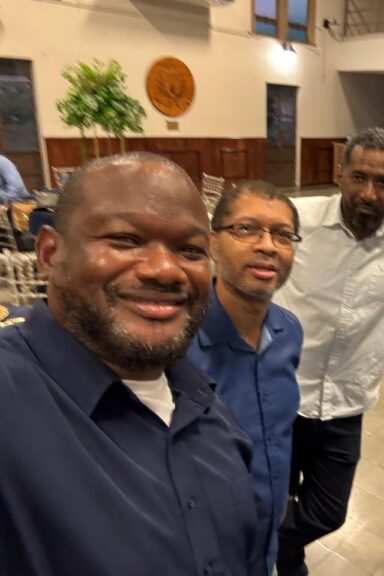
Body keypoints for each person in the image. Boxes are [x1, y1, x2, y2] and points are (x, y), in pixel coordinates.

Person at [0, 153, 261, 576]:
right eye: (125, 239)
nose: (165, 270)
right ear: (49, 254)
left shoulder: (205, 402)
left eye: (190, 250)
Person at [273, 127, 384, 576]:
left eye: (382, 182)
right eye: (359, 177)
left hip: (345, 406)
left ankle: (258, 542)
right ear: (340, 173)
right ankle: (289, 566)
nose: (368, 193)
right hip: (280, 396)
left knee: (327, 512)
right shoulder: (295, 219)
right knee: (274, 497)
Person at [188, 181, 303, 576]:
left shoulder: (289, 332)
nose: (268, 245)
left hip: (266, 538)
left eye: (283, 235)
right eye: (247, 229)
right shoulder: (178, 347)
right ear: (213, 243)